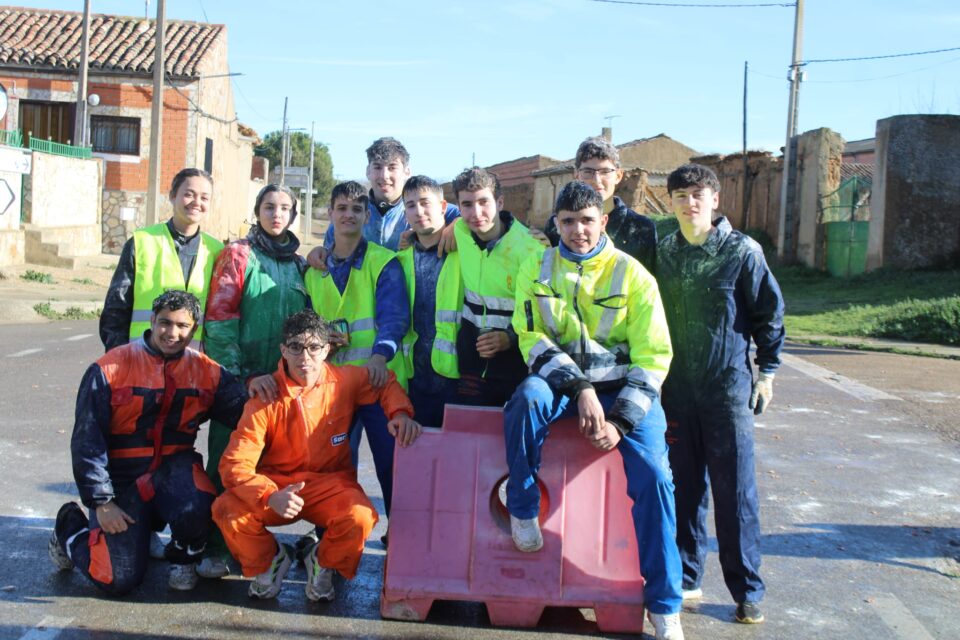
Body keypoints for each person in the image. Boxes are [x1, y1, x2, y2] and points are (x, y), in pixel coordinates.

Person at [504, 181, 684, 640]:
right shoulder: (537, 267)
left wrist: (622, 420)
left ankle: (665, 606)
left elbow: (654, 357)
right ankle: (522, 509)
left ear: (603, 222)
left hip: (625, 393)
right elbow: (531, 338)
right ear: (556, 224)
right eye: (568, 222)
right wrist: (580, 388)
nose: (578, 231)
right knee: (525, 399)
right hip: (565, 387)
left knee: (657, 481)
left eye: (587, 221)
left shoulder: (633, 275)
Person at [48, 291, 247, 595]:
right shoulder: (108, 369)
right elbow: (87, 441)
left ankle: (183, 558)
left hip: (174, 472)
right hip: (122, 482)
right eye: (165, 323)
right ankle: (69, 527)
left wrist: (271, 382)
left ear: (194, 330)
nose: (173, 333)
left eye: (183, 326)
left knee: (203, 503)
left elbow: (248, 415)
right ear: (152, 321)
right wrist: (101, 501)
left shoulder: (208, 372)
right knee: (117, 579)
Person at [212, 310, 420, 601]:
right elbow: (235, 464)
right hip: (278, 487)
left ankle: (322, 563)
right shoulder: (265, 397)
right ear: (283, 349)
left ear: (327, 349)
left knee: (360, 516)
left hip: (330, 484)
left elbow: (384, 382)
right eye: (295, 347)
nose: (304, 356)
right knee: (226, 509)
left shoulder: (345, 380)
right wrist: (269, 496)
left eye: (313, 347)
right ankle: (270, 560)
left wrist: (400, 413)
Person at [656, 163, 784, 626]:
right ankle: (688, 576)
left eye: (697, 195)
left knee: (735, 492)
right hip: (676, 389)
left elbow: (769, 314)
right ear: (670, 204)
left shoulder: (741, 252)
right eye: (679, 196)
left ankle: (747, 590)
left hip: (726, 388)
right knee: (684, 488)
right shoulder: (665, 252)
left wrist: (767, 372)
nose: (689, 203)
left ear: (714, 199)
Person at [198, 184, 310, 578]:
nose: (276, 214)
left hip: (282, 388)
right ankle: (215, 547)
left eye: (284, 208)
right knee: (227, 464)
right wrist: (241, 379)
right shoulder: (238, 255)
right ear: (257, 210)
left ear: (293, 215)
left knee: (267, 470)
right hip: (241, 384)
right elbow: (220, 320)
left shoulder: (301, 266)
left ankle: (254, 547)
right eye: (269, 206)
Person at [305, 181, 410, 520]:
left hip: (377, 383)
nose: (348, 215)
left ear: (367, 216)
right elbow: (305, 324)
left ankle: (401, 544)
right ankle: (332, 550)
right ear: (330, 214)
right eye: (341, 208)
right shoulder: (313, 271)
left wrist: (380, 355)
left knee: (393, 468)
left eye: (356, 209)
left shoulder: (384, 262)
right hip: (331, 388)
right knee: (333, 469)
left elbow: (395, 317)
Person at [100, 168, 223, 352]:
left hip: (194, 368)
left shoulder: (218, 252)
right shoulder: (141, 243)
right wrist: (119, 357)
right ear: (172, 196)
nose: (197, 202)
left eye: (204, 198)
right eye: (189, 194)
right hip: (142, 360)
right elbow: (115, 311)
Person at [451, 166, 544, 407]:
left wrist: (510, 338)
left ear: (500, 202)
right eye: (467, 204)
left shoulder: (532, 249)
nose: (476, 212)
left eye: (484, 202)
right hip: (471, 360)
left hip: (514, 365)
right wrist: (411, 236)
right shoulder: (459, 230)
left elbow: (544, 313)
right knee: (474, 436)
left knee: (506, 438)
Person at [397, 175, 463, 428]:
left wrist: (461, 225)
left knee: (459, 462)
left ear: (443, 207)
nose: (419, 211)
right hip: (415, 380)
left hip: (459, 381)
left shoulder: (464, 252)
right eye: (411, 205)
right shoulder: (400, 261)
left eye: (425, 202)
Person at [538, 136, 658, 275]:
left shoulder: (641, 228)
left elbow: (648, 284)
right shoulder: (557, 226)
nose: (596, 180)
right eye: (588, 172)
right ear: (577, 175)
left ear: (618, 176)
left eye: (605, 172)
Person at [318, 137, 459, 252]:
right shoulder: (352, 214)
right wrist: (320, 252)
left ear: (407, 172)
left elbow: (466, 217)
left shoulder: (426, 207)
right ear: (368, 171)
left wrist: (456, 226)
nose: (384, 175)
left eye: (392, 167)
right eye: (378, 167)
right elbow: (329, 255)